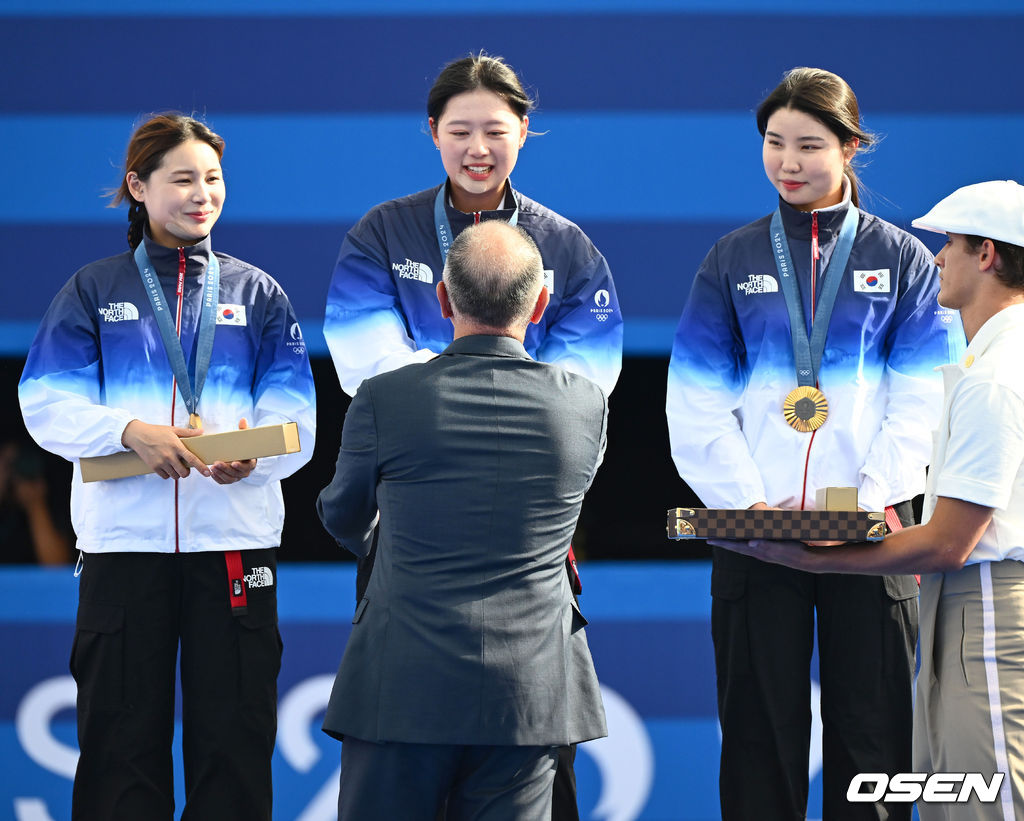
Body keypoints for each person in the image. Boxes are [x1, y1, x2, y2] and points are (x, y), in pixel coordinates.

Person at [323, 52, 620, 817]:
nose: (477, 147)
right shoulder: (382, 231)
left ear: (525, 129)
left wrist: (448, 385)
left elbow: (589, 385)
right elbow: (363, 360)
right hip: (413, 519)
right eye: (460, 130)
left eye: (495, 129)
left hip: (522, 524)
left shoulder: (569, 244)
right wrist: (492, 381)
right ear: (432, 133)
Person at [665, 67, 964, 820]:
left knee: (874, 738)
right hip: (756, 539)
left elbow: (923, 399)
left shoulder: (904, 261)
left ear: (851, 146)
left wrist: (860, 514)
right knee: (759, 741)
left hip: (872, 538)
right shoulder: (730, 260)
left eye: (809, 144)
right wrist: (752, 508)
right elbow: (696, 400)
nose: (788, 162)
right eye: (774, 144)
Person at [18, 113, 316, 820]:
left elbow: (298, 420)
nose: (201, 193)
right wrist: (126, 430)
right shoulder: (92, 289)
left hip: (232, 545)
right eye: (182, 178)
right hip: (125, 549)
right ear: (138, 187)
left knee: (236, 750)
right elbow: (43, 400)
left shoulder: (259, 294)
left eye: (212, 178)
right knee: (119, 751)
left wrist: (256, 452)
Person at [713, 179, 1024, 820]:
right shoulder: (988, 363)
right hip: (965, 604)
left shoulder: (997, 377)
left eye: (950, 245)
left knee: (986, 805)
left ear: (987, 254)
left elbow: (946, 542)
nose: (936, 258)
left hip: (988, 604)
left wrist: (815, 557)